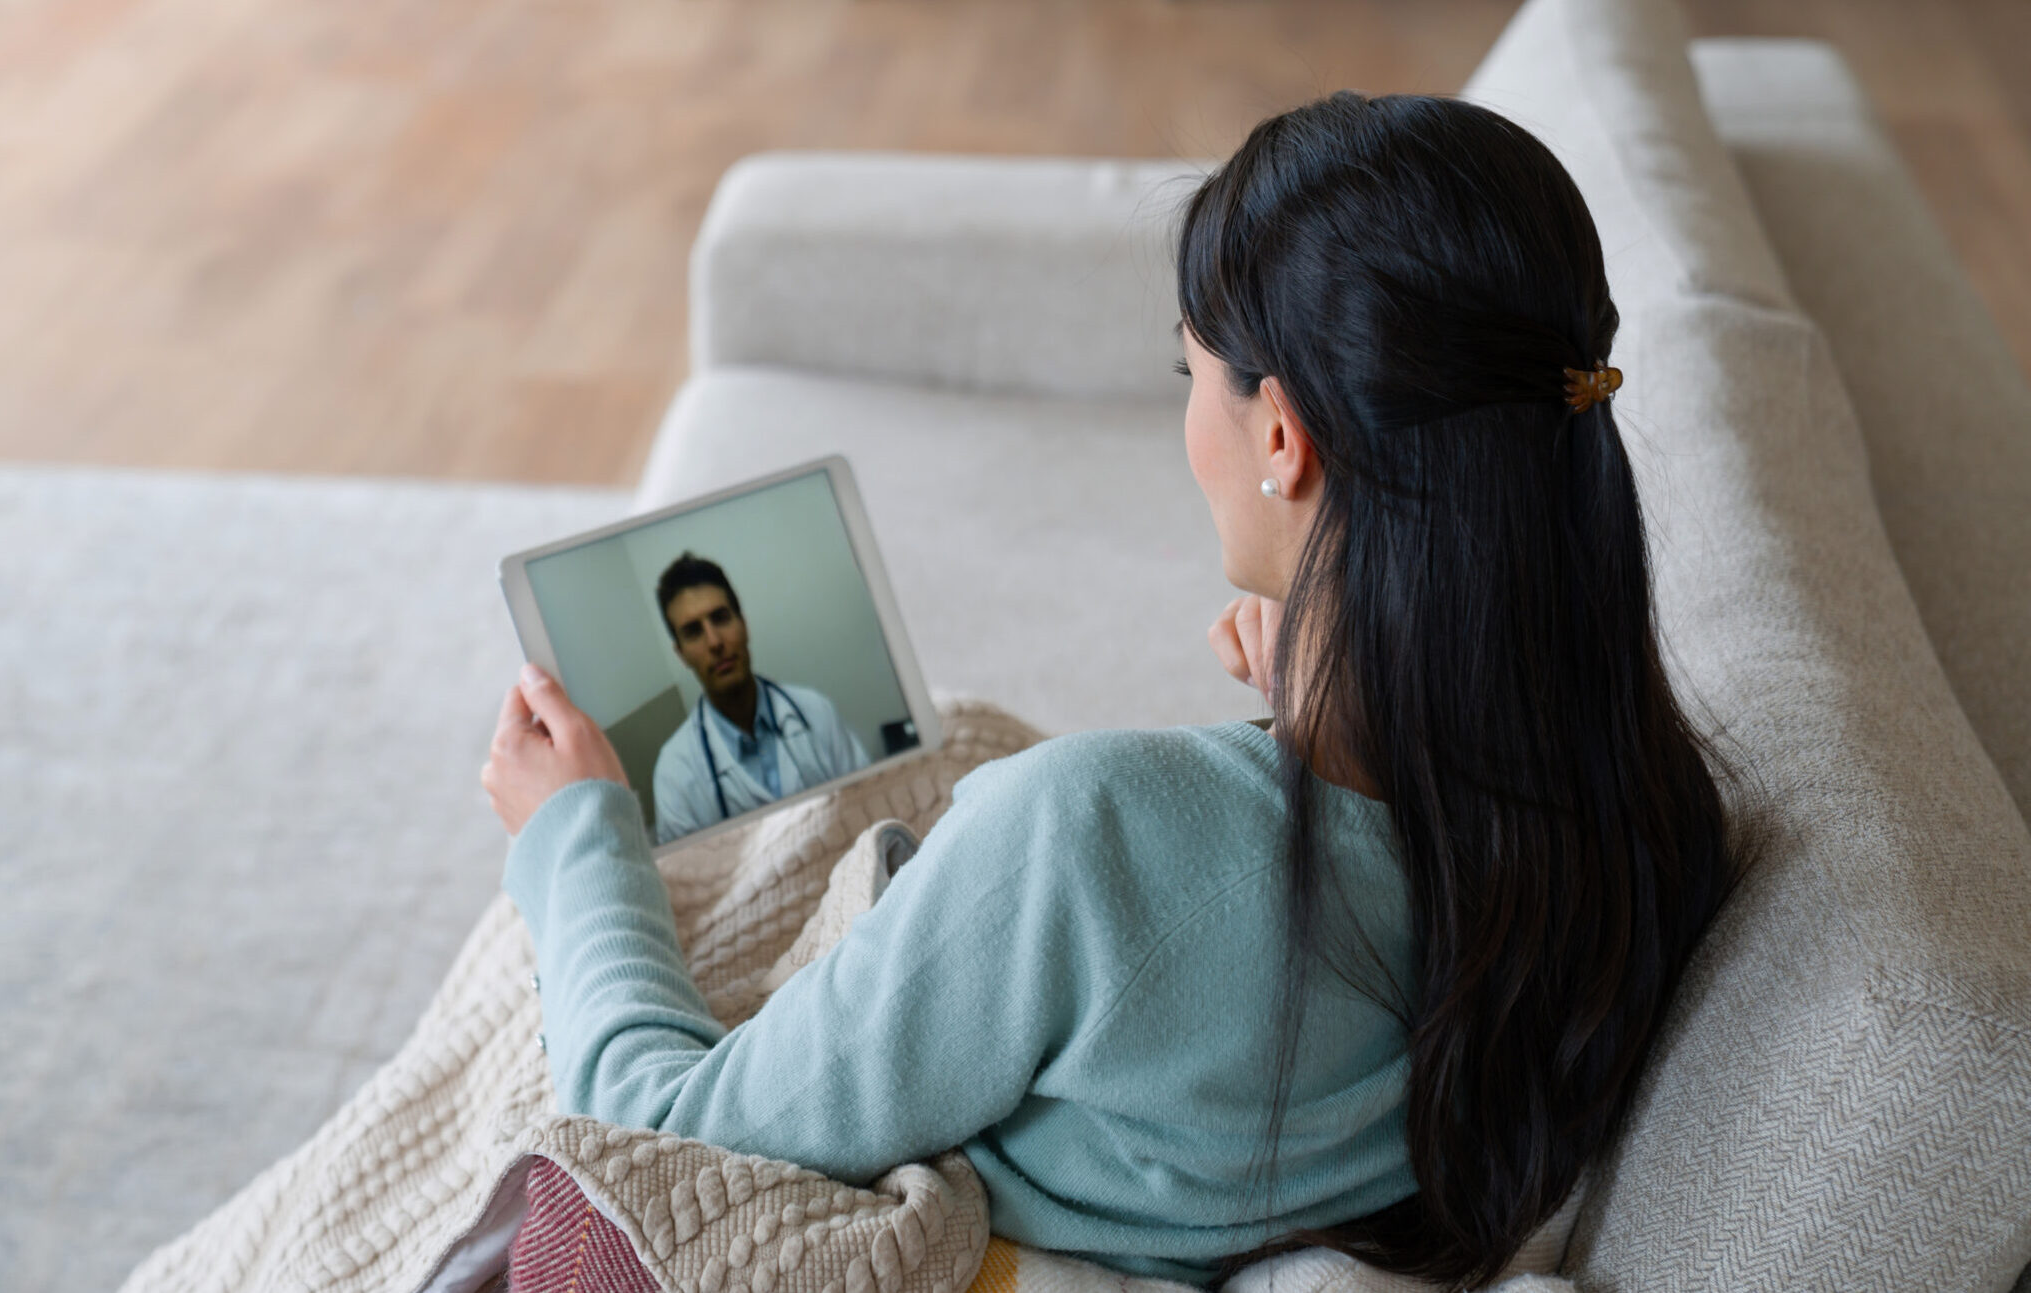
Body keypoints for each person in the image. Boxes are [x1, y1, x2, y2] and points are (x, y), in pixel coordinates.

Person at [479, 91, 1736, 1286]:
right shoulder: (1644, 824)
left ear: (1283, 439)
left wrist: (573, 838)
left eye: (1187, 375)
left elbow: (662, 1135)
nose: (1188, 414)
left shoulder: (1089, 835)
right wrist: (1333, 705)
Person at [644, 552, 871, 843]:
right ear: (681, 654)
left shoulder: (815, 711)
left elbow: (871, 803)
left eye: (721, 618)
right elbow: (696, 883)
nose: (714, 642)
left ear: (744, 624)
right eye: (693, 632)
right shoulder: (674, 773)